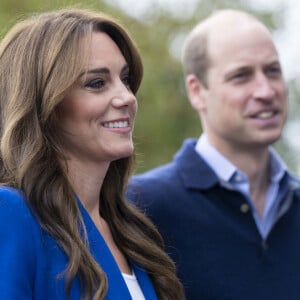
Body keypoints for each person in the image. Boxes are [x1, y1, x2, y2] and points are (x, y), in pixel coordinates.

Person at [0, 8, 184, 300]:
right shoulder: (10, 213)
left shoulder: (133, 233)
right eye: (97, 83)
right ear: (43, 105)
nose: (127, 97)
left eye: (125, 79)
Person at [126, 9, 300, 300]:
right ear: (197, 91)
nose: (266, 90)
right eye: (241, 76)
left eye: (273, 70)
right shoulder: (141, 207)